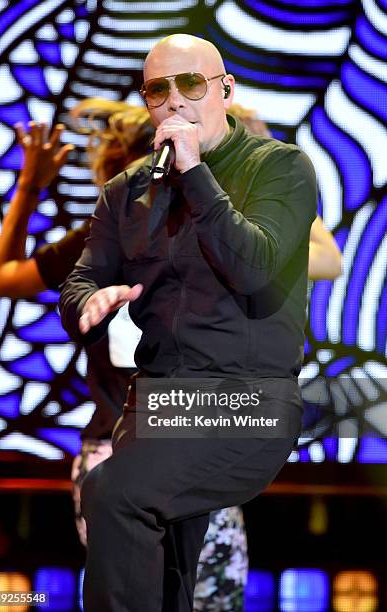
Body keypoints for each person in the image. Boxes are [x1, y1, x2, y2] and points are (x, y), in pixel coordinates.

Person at [58, 33, 319, 612]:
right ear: (147, 101)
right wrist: (89, 305)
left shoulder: (280, 168)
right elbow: (79, 281)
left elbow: (255, 272)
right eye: (158, 90)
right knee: (163, 576)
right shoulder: (125, 194)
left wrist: (196, 172)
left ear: (225, 90)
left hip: (246, 400)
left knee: (113, 493)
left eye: (191, 84)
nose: (174, 101)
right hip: (153, 404)